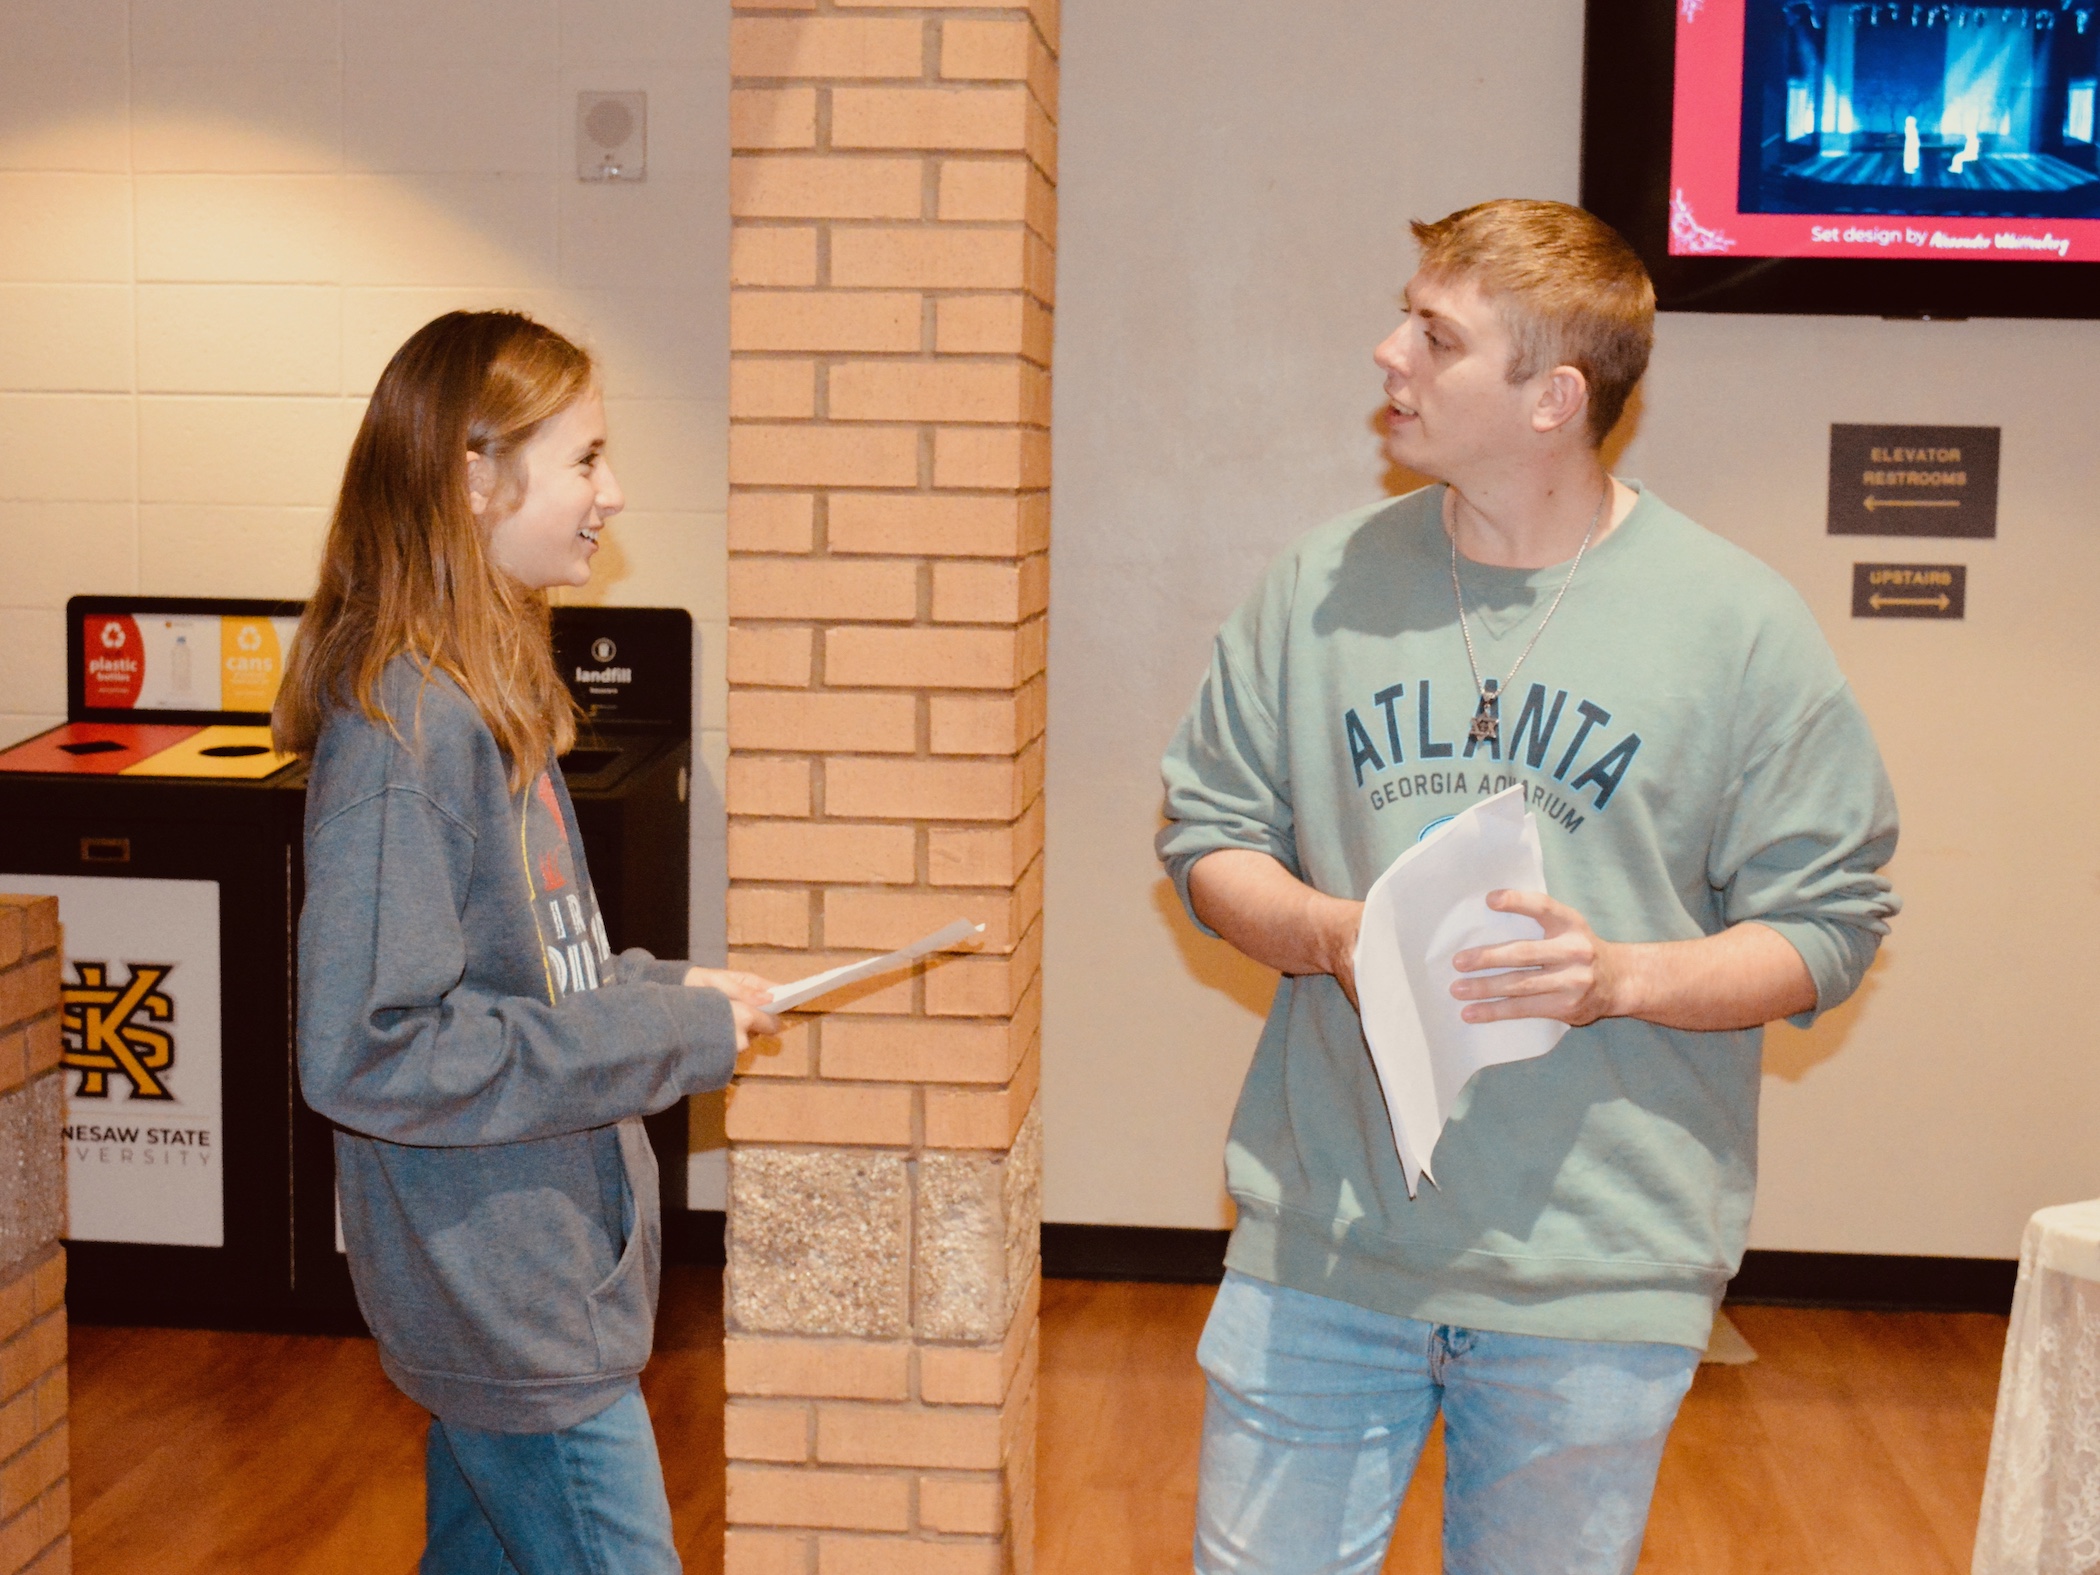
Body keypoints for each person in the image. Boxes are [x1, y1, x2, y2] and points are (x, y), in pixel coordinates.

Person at [1157, 200, 1899, 1574]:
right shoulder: (1317, 588)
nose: (1388, 352)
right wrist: (1328, 931)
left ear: (1554, 396)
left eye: (1436, 336)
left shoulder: (1734, 623)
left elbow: (1831, 923)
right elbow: (1207, 840)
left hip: (1598, 1270)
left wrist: (1619, 974)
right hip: (1323, 1245)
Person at [274, 310, 780, 1574]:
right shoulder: (408, 727)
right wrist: (664, 1033)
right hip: (509, 1306)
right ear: (475, 477)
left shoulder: (482, 696)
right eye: (588, 458)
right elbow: (368, 1050)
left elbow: (525, 981)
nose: (616, 491)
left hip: (533, 1283)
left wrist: (668, 989)